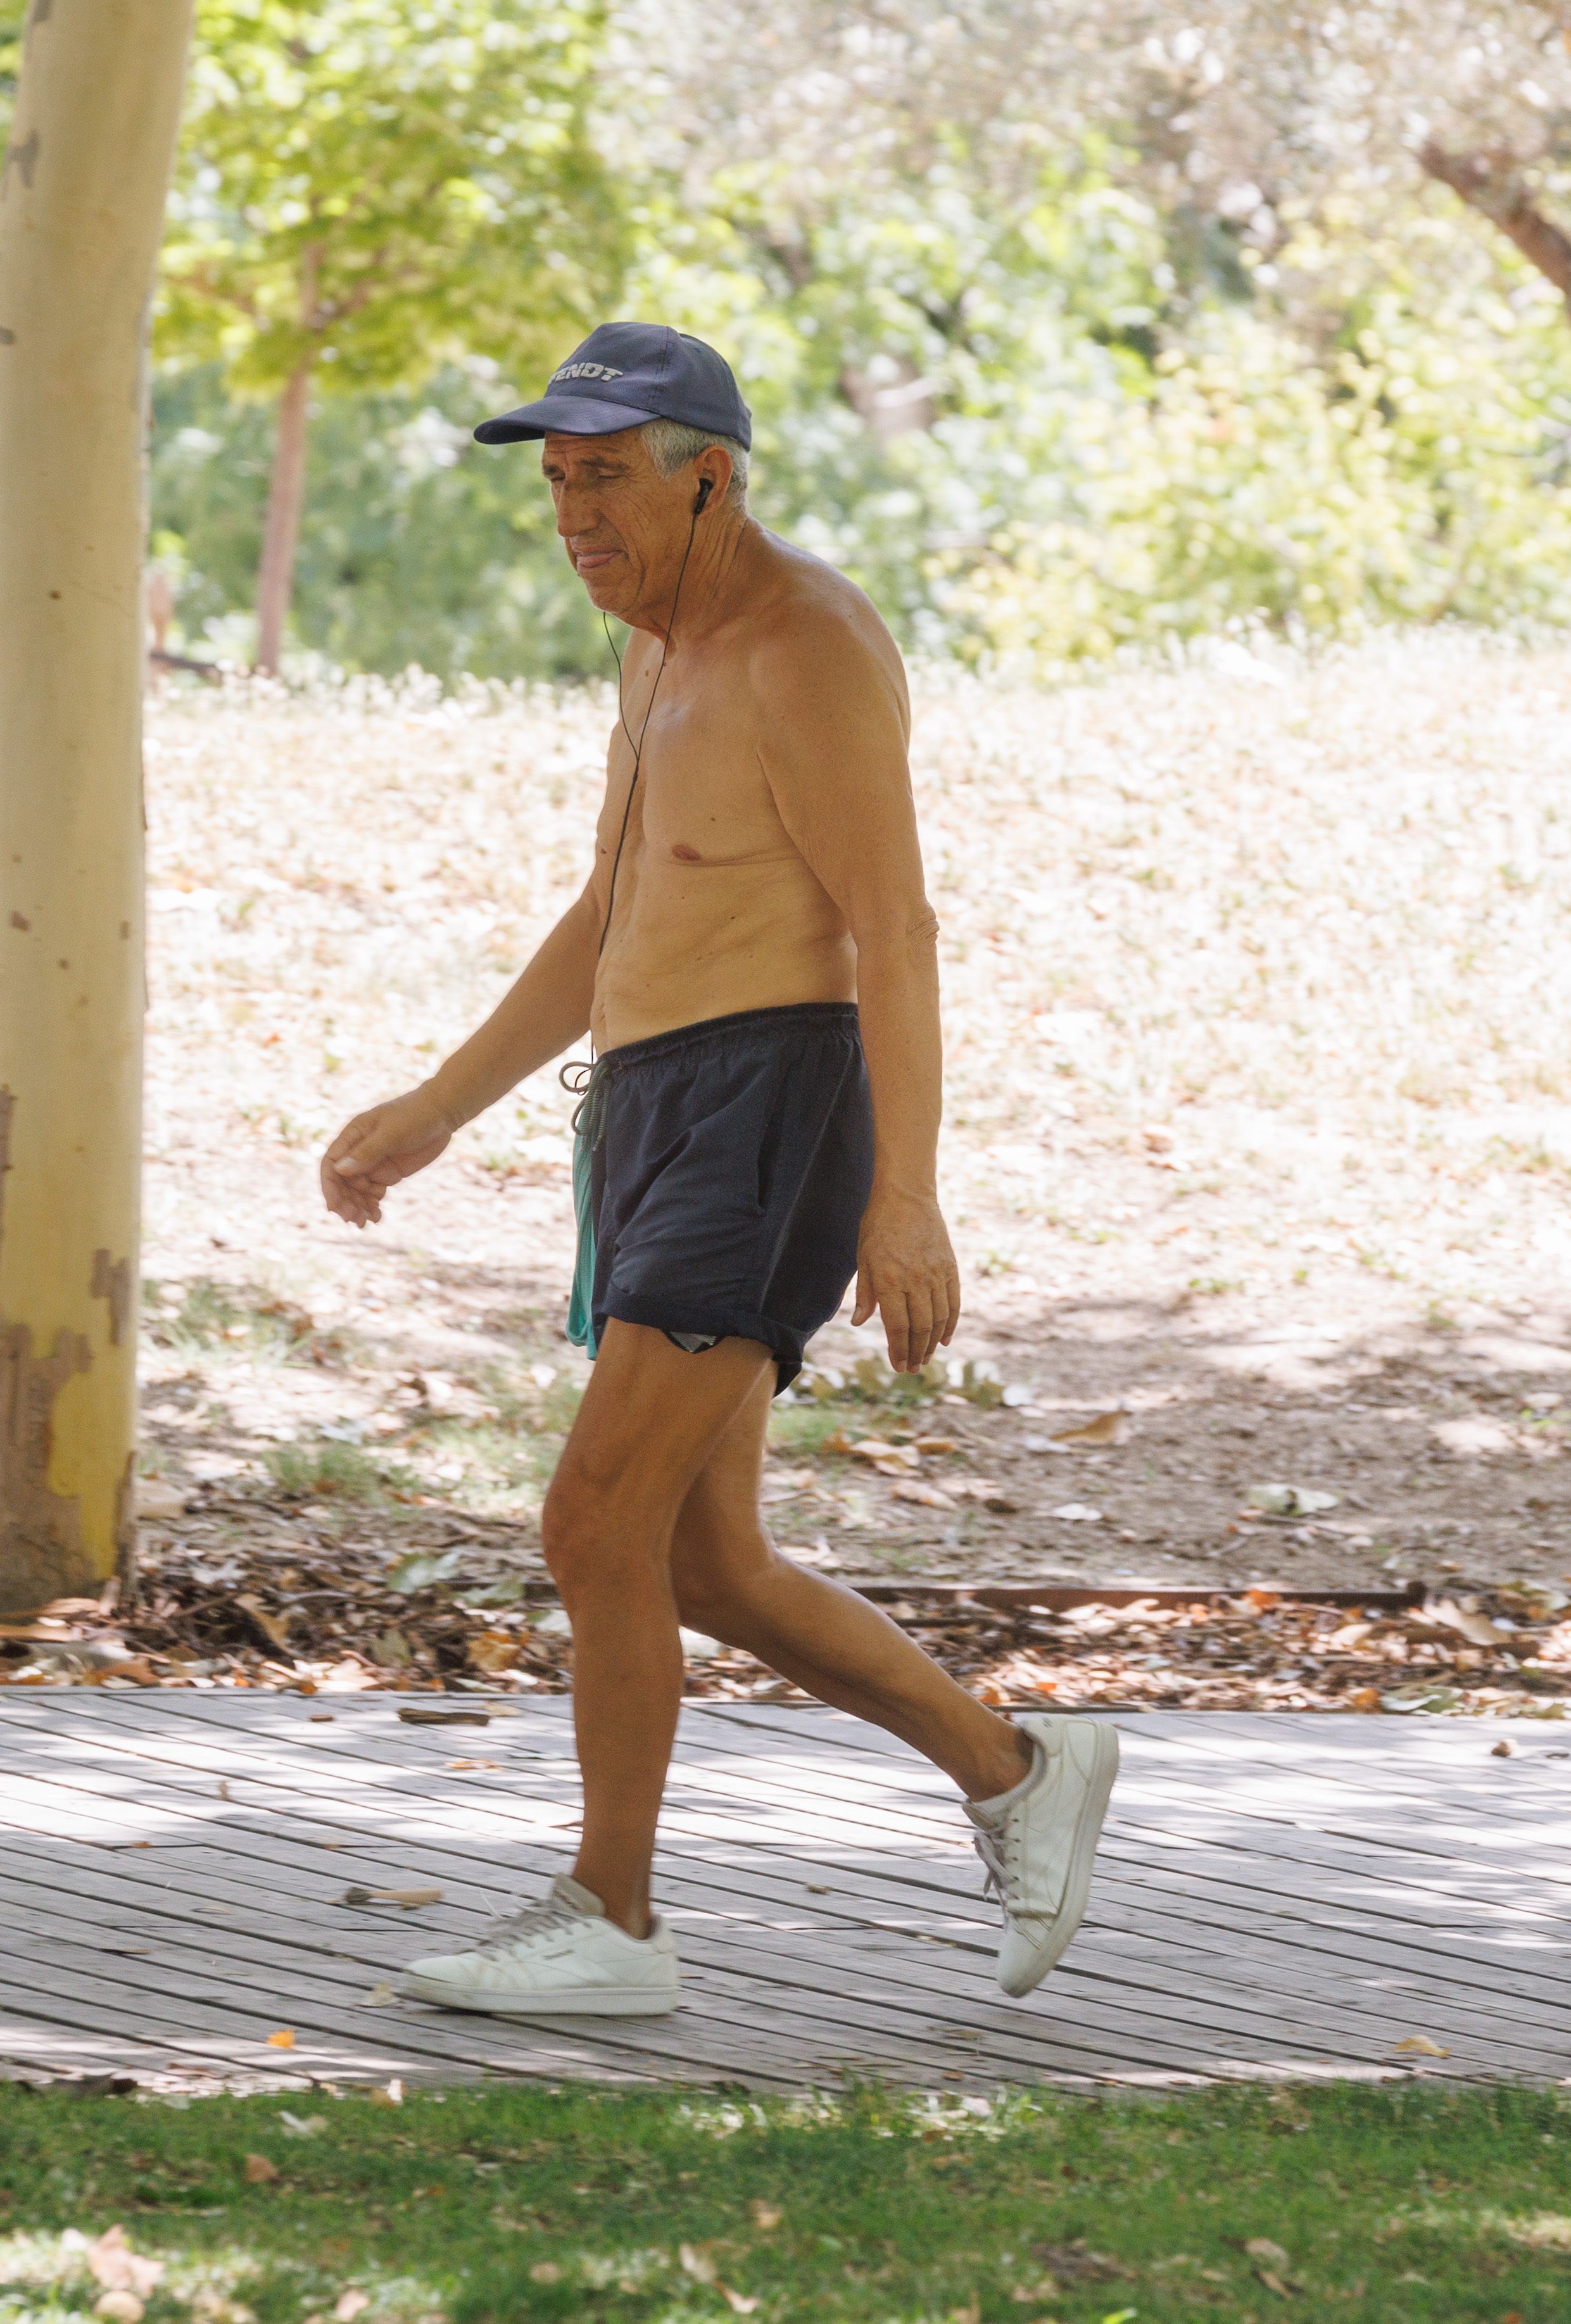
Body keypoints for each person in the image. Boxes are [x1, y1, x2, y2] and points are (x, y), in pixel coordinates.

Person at [316, 322, 1117, 2016]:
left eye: (602, 479)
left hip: (771, 1110)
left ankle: (612, 1923)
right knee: (697, 1563)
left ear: (710, 478)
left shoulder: (801, 645)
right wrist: (441, 1103)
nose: (571, 519)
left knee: (592, 1515)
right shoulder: (655, 650)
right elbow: (616, 909)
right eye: (553, 483)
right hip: (654, 1106)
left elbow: (891, 925)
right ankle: (1012, 1769)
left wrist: (906, 1191)